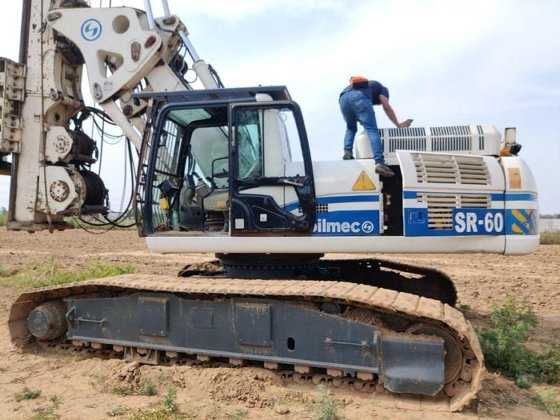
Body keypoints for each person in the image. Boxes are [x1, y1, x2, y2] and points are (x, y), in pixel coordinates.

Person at [339, 76, 413, 177]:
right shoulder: (383, 89)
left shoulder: (368, 87)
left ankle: (347, 153)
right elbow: (386, 106)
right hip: (359, 97)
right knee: (372, 130)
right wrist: (398, 124)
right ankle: (379, 162)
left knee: (351, 128)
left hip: (343, 98)